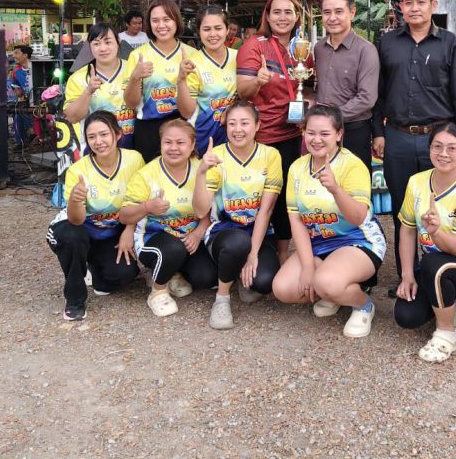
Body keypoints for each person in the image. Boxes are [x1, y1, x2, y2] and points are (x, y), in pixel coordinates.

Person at [373, 0, 456, 291]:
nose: (414, 8)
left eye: (421, 2)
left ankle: (443, 275)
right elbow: (378, 93)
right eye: (408, 3)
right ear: (400, 8)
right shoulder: (387, 43)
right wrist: (378, 132)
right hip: (398, 137)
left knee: (441, 208)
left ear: (433, 5)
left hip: (439, 139)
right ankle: (408, 274)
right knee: (402, 208)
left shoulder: (450, 43)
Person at [272, 105, 387, 338]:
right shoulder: (297, 167)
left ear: (338, 134)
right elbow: (296, 221)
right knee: (282, 289)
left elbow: (358, 217)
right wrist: (307, 267)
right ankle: (333, 290)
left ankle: (362, 304)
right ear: (303, 132)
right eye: (311, 133)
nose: (316, 140)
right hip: (319, 243)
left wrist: (335, 189)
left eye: (324, 133)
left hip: (356, 241)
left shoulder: (352, 165)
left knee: (326, 282)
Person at [394, 123, 456, 363]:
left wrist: (436, 231)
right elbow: (407, 230)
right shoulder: (416, 182)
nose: (443, 154)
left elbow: (454, 248)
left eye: (452, 148)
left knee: (433, 263)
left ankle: (446, 333)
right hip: (436, 266)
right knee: (407, 316)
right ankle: (452, 302)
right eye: (437, 146)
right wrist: (407, 275)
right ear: (429, 149)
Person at [46, 111, 146, 321]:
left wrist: (129, 230)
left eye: (104, 134)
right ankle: (75, 299)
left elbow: (138, 200)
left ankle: (95, 270)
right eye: (92, 137)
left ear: (118, 134)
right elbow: (76, 220)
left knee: (124, 275)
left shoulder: (134, 159)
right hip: (77, 227)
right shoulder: (78, 170)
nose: (98, 142)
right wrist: (75, 199)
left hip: (108, 232)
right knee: (73, 237)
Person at [192, 101, 283, 329]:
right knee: (237, 243)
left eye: (244, 123)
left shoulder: (270, 155)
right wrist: (201, 173)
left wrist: (252, 255)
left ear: (257, 125)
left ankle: (239, 271)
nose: (238, 129)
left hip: (258, 232)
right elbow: (200, 210)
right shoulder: (217, 156)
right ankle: (222, 298)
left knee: (264, 281)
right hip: (224, 232)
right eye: (232, 123)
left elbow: (266, 210)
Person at [236, 0, 309, 262]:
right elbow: (242, 91)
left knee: (287, 196)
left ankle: (282, 253)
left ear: (297, 16)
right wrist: (257, 81)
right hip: (263, 135)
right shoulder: (254, 45)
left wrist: (308, 105)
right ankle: (251, 253)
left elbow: (308, 86)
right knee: (262, 196)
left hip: (292, 132)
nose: (282, 17)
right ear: (267, 16)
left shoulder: (302, 48)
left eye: (288, 12)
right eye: (276, 12)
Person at [119, 119, 216, 317]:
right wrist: (147, 207)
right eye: (168, 142)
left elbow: (206, 212)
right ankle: (158, 291)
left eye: (180, 143)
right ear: (161, 143)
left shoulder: (202, 168)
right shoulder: (146, 174)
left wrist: (198, 233)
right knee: (172, 249)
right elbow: (124, 215)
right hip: (154, 238)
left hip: (189, 238)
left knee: (206, 277)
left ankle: (171, 272)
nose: (173, 148)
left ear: (192, 145)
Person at [125, 0, 199, 162]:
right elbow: (130, 103)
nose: (161, 25)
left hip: (183, 127)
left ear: (176, 20)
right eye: (155, 20)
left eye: (167, 19)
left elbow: (192, 107)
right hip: (148, 130)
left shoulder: (192, 55)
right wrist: (135, 78)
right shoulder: (138, 55)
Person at [313, 0, 379, 169]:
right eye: (327, 12)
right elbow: (316, 86)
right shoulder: (318, 48)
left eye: (338, 11)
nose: (332, 18)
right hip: (322, 132)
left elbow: (367, 98)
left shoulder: (366, 50)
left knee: (354, 181)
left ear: (352, 13)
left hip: (354, 131)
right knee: (321, 179)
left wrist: (332, 118)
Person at [63, 23, 135, 150]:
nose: (103, 48)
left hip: (133, 145)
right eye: (96, 44)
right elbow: (72, 117)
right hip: (96, 148)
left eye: (108, 42)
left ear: (118, 42)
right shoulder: (78, 78)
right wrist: (88, 91)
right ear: (89, 46)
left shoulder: (133, 69)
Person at [176, 5, 237, 150]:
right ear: (199, 31)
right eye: (206, 29)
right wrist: (181, 80)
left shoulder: (239, 57)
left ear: (227, 30)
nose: (212, 34)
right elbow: (187, 112)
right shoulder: (192, 63)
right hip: (203, 140)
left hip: (236, 138)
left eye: (218, 28)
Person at [7, 44, 35, 147]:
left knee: (22, 109)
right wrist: (14, 88)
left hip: (41, 99)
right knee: (17, 111)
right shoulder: (16, 71)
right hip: (27, 99)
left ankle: (32, 132)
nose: (13, 56)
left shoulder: (36, 66)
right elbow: (19, 92)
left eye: (16, 53)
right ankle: (21, 142)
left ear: (25, 55)